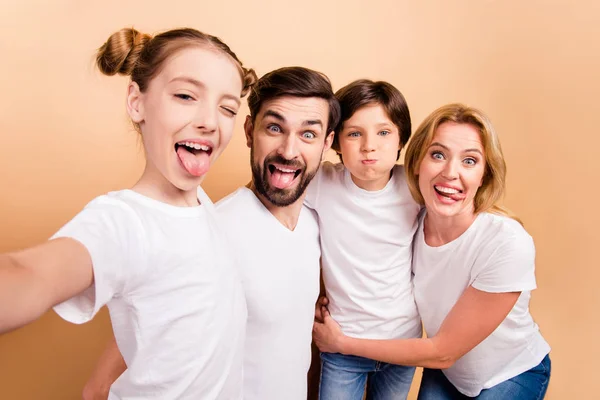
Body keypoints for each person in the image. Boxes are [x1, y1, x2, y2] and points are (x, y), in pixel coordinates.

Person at [0, 27, 257, 399]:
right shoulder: (123, 221)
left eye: (227, 108)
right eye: (186, 95)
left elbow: (168, 315)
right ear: (137, 102)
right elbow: (28, 275)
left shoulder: (202, 207)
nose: (210, 121)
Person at [81, 66, 341, 400]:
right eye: (274, 128)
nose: (289, 151)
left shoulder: (315, 224)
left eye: (308, 134)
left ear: (326, 143)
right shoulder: (209, 233)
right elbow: (102, 383)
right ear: (249, 131)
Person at [313, 103, 552, 399]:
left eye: (469, 161)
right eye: (438, 155)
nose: (450, 173)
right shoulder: (410, 217)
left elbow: (442, 353)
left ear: (484, 175)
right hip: (450, 372)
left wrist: (341, 343)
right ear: (417, 163)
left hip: (509, 372)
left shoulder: (507, 243)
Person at [304, 79, 421, 399]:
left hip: (402, 342)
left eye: (383, 132)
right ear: (336, 141)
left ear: (401, 139)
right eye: (355, 133)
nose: (369, 145)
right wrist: (306, 295)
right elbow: (267, 188)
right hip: (341, 341)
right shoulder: (322, 183)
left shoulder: (415, 187)